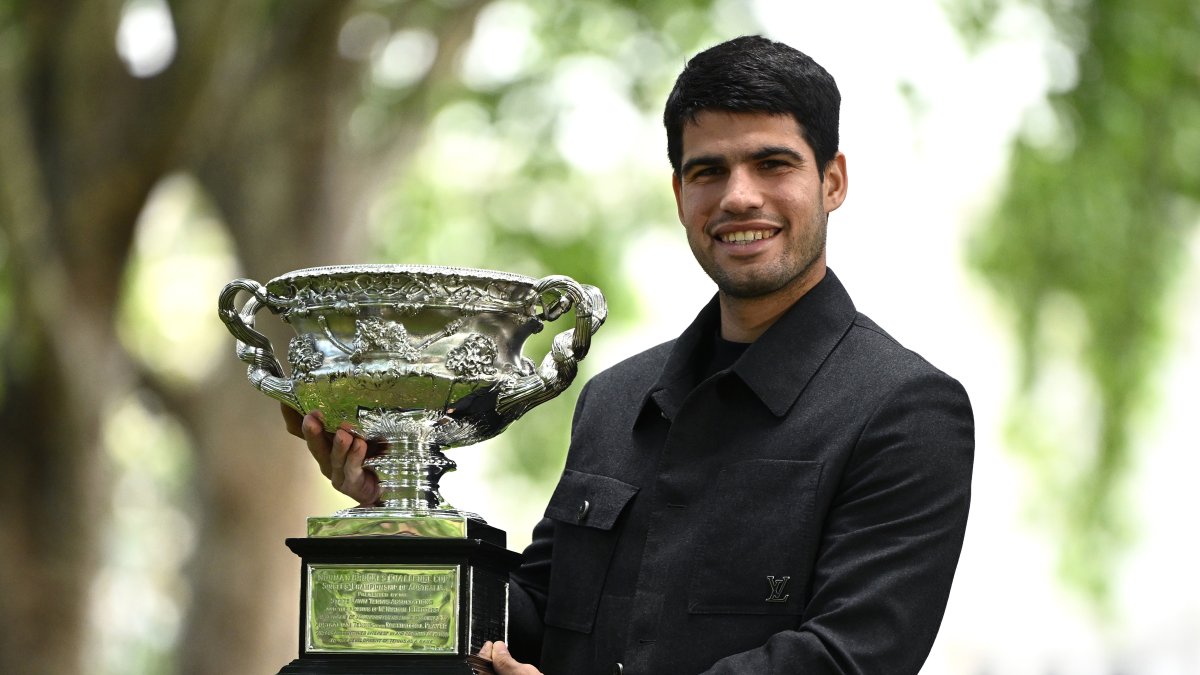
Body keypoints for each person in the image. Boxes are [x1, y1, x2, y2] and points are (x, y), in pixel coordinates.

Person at [285, 35, 974, 675]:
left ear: (832, 181)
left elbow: (844, 659)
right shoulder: (616, 399)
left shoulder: (904, 410)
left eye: (772, 163)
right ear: (680, 195)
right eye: (708, 170)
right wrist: (409, 518)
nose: (739, 196)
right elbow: (537, 617)